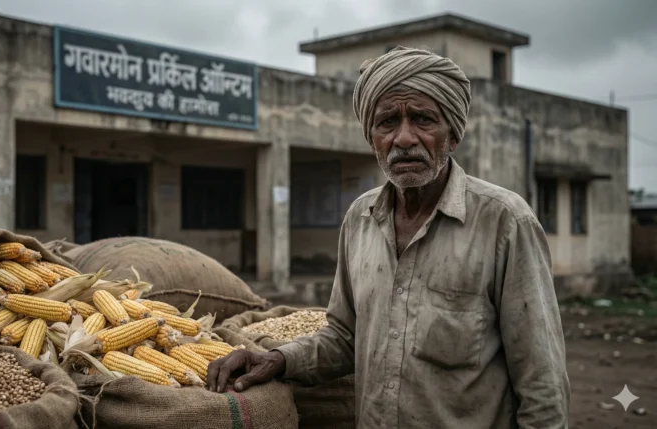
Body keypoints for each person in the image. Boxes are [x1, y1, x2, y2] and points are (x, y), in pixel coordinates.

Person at [207, 46, 571, 429]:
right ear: (371, 137)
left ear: (453, 134)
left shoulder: (505, 222)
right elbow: (345, 336)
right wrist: (279, 359)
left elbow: (541, 383)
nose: (404, 138)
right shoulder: (360, 219)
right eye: (387, 123)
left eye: (422, 119)